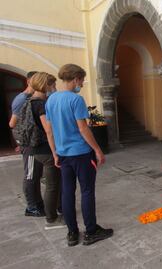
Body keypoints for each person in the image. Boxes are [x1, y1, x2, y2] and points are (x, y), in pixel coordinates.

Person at [45, 64, 113, 246]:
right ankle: (91, 231)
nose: (81, 84)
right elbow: (83, 128)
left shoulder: (50, 100)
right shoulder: (76, 100)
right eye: (81, 80)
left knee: (67, 192)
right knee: (87, 191)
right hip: (81, 154)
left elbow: (49, 131)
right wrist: (98, 150)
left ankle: (72, 233)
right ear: (75, 78)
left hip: (63, 154)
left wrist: (55, 153)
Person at [28, 72, 65, 230]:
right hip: (46, 150)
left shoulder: (29, 101)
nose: (54, 88)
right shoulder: (41, 104)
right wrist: (55, 152)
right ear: (46, 85)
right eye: (53, 85)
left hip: (35, 148)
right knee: (52, 185)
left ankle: (57, 210)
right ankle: (51, 219)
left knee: (53, 183)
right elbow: (48, 130)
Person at [9, 71, 45, 217]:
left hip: (34, 143)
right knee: (30, 174)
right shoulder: (22, 99)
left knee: (36, 174)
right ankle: (31, 207)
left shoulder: (31, 98)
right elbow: (13, 123)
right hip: (29, 144)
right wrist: (21, 141)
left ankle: (38, 203)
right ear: (30, 81)